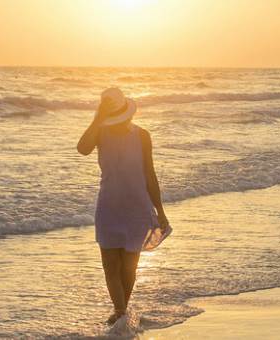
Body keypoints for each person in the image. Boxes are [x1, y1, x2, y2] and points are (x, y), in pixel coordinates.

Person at [77, 88, 170, 325]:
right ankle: (120, 313)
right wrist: (98, 117)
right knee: (110, 266)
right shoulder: (100, 133)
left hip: (137, 206)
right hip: (108, 206)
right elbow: (82, 148)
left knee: (129, 268)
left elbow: (150, 174)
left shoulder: (142, 136)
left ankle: (120, 313)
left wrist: (160, 211)